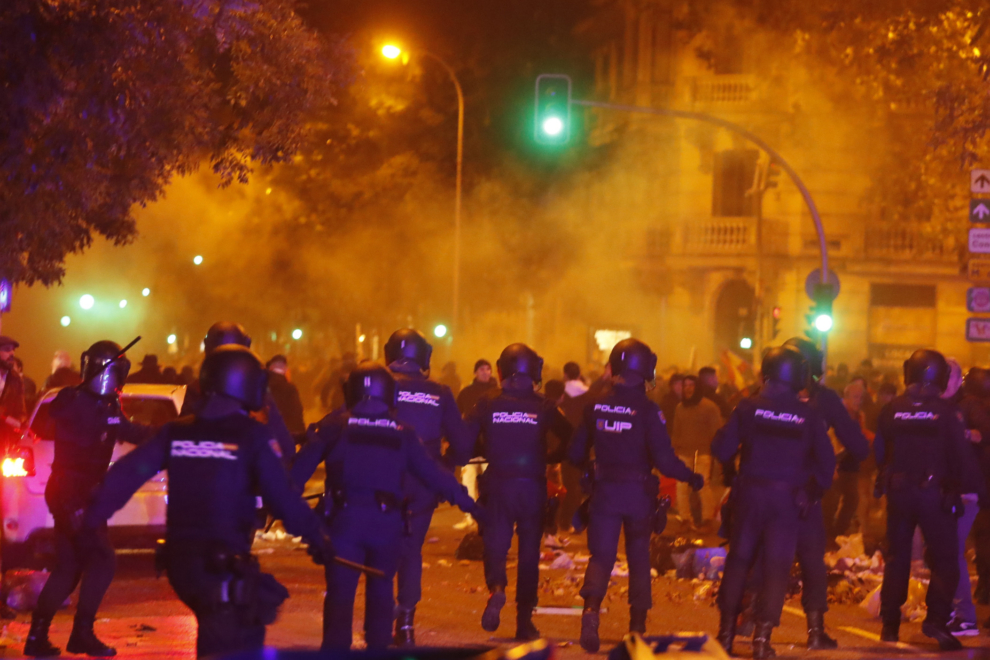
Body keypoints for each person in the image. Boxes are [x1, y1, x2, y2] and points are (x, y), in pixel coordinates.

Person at [79, 345, 334, 658]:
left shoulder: (176, 432)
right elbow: (283, 498)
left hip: (181, 563)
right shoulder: (251, 436)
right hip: (221, 565)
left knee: (219, 632)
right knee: (236, 638)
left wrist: (92, 517)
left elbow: (127, 474)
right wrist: (318, 537)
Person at [292, 362, 479, 650]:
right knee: (380, 598)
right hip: (386, 526)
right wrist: (473, 507)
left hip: (344, 525)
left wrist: (298, 520)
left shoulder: (334, 426)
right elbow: (435, 475)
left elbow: (296, 475)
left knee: (340, 599)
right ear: (391, 394)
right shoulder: (403, 432)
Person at [568, 338, 703, 651]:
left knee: (601, 556)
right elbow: (666, 461)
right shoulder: (648, 411)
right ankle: (638, 626)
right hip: (638, 495)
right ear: (646, 371)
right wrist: (692, 477)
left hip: (603, 494)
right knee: (639, 558)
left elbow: (575, 453)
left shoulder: (594, 405)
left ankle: (590, 612)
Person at [25, 341, 152, 657]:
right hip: (73, 494)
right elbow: (51, 420)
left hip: (79, 494)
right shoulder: (78, 403)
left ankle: (36, 638)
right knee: (103, 561)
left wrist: (174, 432)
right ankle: (81, 634)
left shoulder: (105, 404)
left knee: (69, 566)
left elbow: (130, 431)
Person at [713, 346, 835, 659]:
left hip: (750, 497)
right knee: (776, 569)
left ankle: (725, 636)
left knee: (739, 562)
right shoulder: (807, 415)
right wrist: (812, 492)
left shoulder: (747, 406)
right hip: (787, 502)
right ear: (798, 376)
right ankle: (762, 641)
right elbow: (826, 463)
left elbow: (723, 449)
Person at [874, 349, 984, 651]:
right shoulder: (948, 412)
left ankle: (890, 624)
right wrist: (972, 490)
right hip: (934, 496)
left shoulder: (892, 408)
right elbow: (962, 458)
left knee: (897, 560)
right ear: (939, 376)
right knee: (946, 560)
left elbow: (880, 453)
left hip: (898, 495)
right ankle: (935, 620)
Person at [465, 344, 573, 640]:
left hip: (498, 483)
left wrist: (479, 451)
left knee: (495, 547)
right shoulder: (545, 406)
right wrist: (553, 456)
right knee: (528, 555)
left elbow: (464, 438)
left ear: (501, 370)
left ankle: (497, 587)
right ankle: (524, 621)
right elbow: (572, 437)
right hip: (532, 486)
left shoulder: (486, 403)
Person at [384, 329, 473, 645]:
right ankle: (406, 624)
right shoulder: (440, 392)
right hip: (423, 483)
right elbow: (463, 443)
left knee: (381, 549)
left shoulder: (375, 384)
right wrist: (443, 467)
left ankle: (379, 621)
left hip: (382, 479)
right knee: (411, 551)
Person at [782, 337, 870, 648]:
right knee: (811, 561)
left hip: (768, 491)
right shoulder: (825, 400)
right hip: (807, 493)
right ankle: (815, 630)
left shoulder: (763, 397)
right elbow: (857, 445)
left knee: (761, 557)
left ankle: (744, 626)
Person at [945, 363, 988, 636]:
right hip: (964, 488)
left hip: (970, 489)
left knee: (956, 548)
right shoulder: (951, 406)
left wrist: (966, 434)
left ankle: (964, 614)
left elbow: (981, 433)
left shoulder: (969, 405)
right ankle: (956, 610)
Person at [671, 375, 723, 527]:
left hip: (702, 453)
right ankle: (685, 519)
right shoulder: (680, 407)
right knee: (681, 488)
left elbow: (716, 431)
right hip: (683, 453)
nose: (688, 388)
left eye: (691, 385)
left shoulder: (709, 407)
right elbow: (676, 431)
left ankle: (707, 519)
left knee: (702, 487)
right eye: (685, 385)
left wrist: (715, 451)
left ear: (697, 387)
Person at [265, 355, 306, 436]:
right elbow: (297, 411)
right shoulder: (289, 388)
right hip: (285, 433)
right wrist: (302, 435)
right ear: (285, 371)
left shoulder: (262, 386)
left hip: (265, 434)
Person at [0, 336, 25, 445]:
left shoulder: (15, 379)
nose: (12, 354)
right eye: (7, 349)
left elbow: (21, 411)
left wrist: (19, 422)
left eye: (13, 350)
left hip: (4, 440)